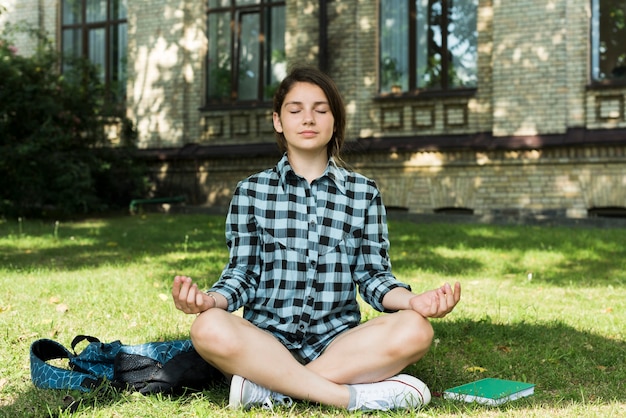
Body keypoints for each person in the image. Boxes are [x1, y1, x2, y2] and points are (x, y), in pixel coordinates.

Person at [172, 66, 461, 412]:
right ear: (278, 120)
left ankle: (273, 387)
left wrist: (415, 303)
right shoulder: (251, 191)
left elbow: (373, 277)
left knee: (417, 330)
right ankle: (347, 397)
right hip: (265, 342)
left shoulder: (363, 193)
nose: (308, 118)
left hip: (339, 345)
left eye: (320, 110)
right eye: (295, 110)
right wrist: (209, 301)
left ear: (335, 121)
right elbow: (242, 275)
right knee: (207, 327)